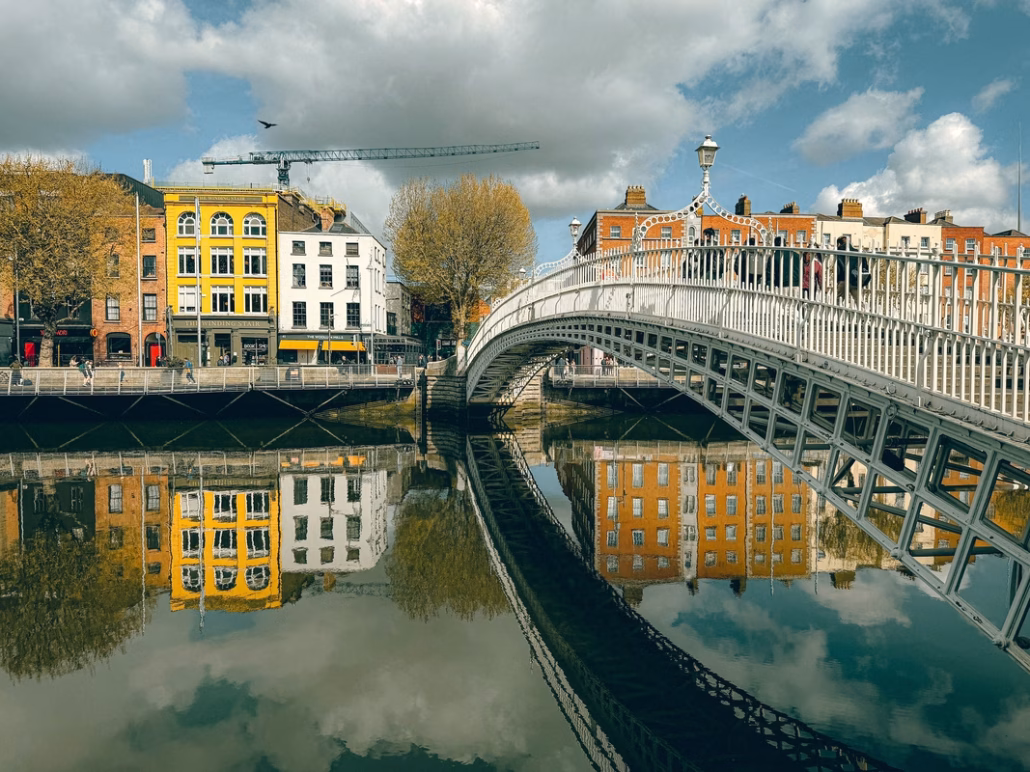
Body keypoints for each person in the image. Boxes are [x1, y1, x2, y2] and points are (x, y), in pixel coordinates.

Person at [835, 235, 870, 304]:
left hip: (843, 279)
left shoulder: (837, 252)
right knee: (859, 302)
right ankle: (862, 314)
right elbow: (865, 267)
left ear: (839, 243)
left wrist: (838, 280)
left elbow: (838, 269)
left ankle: (838, 314)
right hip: (855, 280)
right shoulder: (857, 252)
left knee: (839, 301)